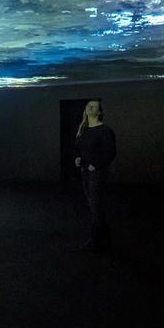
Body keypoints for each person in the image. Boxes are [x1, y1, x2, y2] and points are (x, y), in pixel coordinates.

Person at [74, 99, 116, 252]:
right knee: (94, 206)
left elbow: (111, 152)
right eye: (88, 106)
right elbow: (78, 149)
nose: (90, 108)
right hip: (85, 172)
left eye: (94, 106)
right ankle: (104, 239)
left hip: (97, 173)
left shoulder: (105, 130)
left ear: (99, 112)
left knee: (95, 206)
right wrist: (78, 158)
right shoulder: (83, 130)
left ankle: (97, 241)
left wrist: (96, 165)